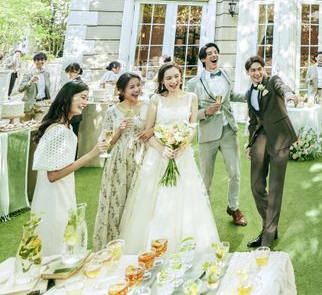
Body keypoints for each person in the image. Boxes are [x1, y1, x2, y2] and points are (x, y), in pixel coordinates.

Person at [119, 63, 219, 253]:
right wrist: (163, 149)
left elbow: (192, 128)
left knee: (185, 201)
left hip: (182, 156)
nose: (173, 81)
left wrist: (182, 145)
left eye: (176, 76)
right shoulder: (156, 99)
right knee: (156, 202)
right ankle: (154, 248)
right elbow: (147, 133)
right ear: (162, 81)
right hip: (158, 156)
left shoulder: (191, 97)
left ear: (181, 76)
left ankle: (185, 248)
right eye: (169, 78)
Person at [31, 81, 108, 256]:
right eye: (82, 97)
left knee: (61, 241)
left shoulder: (65, 126)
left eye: (87, 98)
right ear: (68, 97)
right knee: (57, 244)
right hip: (55, 197)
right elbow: (53, 175)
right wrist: (91, 154)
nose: (85, 102)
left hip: (58, 192)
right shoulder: (60, 130)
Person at [186, 42, 248, 227]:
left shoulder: (226, 74)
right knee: (206, 177)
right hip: (207, 134)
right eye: (209, 53)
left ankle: (233, 207)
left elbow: (231, 96)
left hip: (228, 130)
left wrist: (251, 96)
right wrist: (205, 112)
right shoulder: (193, 83)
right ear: (203, 59)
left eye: (216, 52)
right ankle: (203, 211)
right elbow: (188, 113)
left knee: (235, 173)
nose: (214, 55)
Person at [244, 55, 299, 249]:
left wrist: (289, 94)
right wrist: (250, 145)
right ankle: (270, 227)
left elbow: (282, 87)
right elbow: (252, 121)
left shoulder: (273, 81)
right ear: (248, 73)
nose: (257, 73)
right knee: (256, 186)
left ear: (264, 69)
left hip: (280, 137)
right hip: (261, 137)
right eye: (253, 70)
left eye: (260, 69)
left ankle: (266, 239)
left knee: (275, 189)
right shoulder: (249, 93)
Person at [93, 73, 147, 250]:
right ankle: (114, 244)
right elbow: (106, 144)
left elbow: (152, 131)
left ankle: (135, 244)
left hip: (142, 158)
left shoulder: (146, 107)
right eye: (132, 87)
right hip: (119, 161)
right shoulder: (112, 111)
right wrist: (119, 129)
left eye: (138, 85)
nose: (137, 89)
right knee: (118, 201)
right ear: (121, 91)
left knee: (138, 201)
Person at [18, 52, 52, 120]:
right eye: (37, 60)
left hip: (41, 105)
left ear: (45, 61)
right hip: (29, 105)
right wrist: (30, 81)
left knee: (39, 124)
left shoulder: (46, 74)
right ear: (34, 61)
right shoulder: (29, 73)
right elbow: (20, 89)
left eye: (42, 60)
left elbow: (47, 89)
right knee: (25, 125)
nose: (40, 62)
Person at [63, 63, 84, 137]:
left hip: (73, 114)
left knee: (72, 136)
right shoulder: (76, 82)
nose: (70, 74)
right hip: (74, 114)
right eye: (68, 72)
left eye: (72, 71)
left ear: (78, 71)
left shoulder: (76, 83)